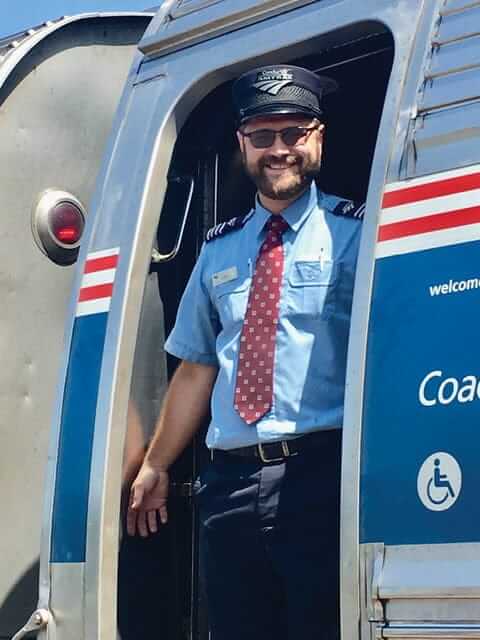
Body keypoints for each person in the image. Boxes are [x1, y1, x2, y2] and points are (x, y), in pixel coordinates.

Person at [127, 64, 364, 640]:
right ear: (243, 145)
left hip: (323, 479)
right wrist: (157, 465)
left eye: (293, 133)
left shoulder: (358, 234)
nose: (279, 149)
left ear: (318, 138)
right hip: (229, 488)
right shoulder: (219, 249)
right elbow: (197, 367)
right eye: (263, 136)